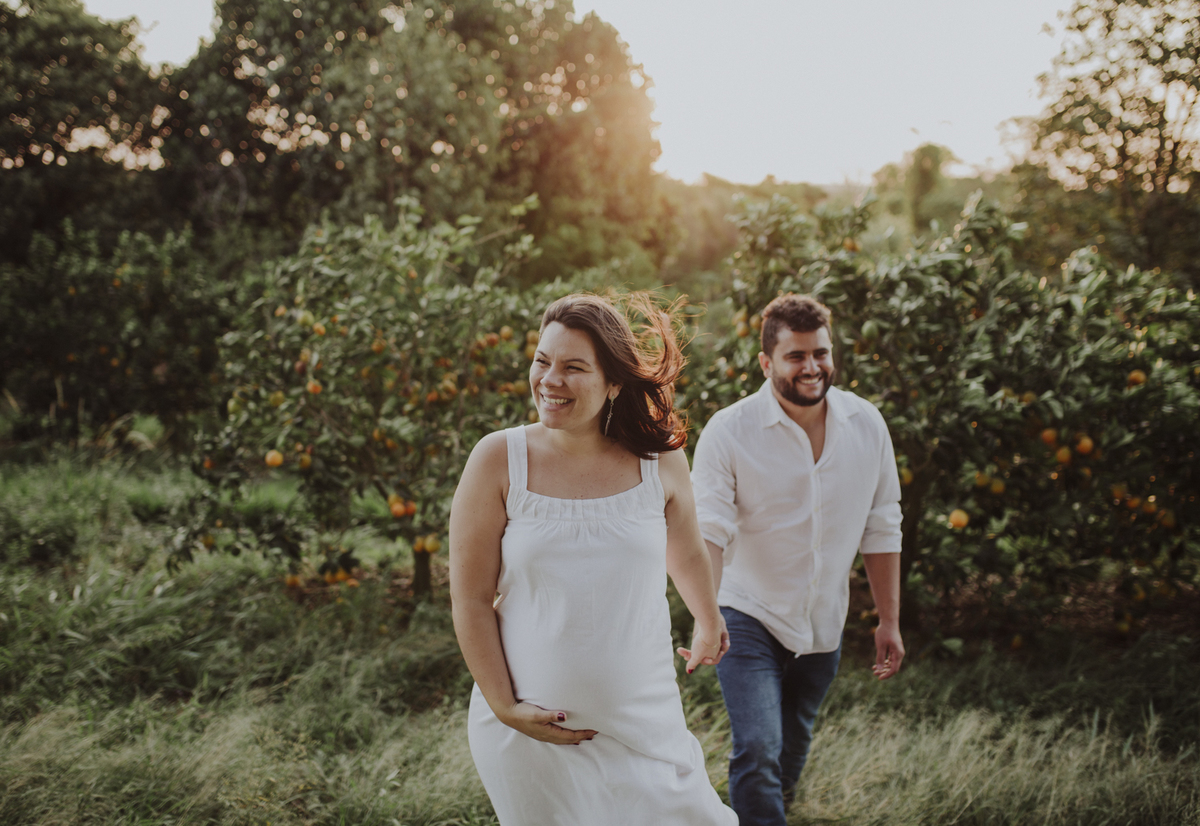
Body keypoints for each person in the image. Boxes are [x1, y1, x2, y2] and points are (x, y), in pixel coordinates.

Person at [449, 293, 738, 826]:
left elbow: (686, 549)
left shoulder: (659, 460)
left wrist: (707, 618)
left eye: (574, 367)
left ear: (614, 383)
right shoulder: (497, 459)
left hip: (645, 725)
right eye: (542, 361)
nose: (549, 380)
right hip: (531, 735)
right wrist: (505, 709)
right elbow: (469, 599)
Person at [691, 293, 905, 826]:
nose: (812, 367)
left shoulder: (867, 424)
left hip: (822, 620)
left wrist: (889, 620)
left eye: (821, 353)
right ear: (766, 363)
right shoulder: (729, 430)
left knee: (792, 741)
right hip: (746, 613)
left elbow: (882, 525)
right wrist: (706, 617)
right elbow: (708, 530)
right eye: (796, 356)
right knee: (758, 746)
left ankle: (771, 810)